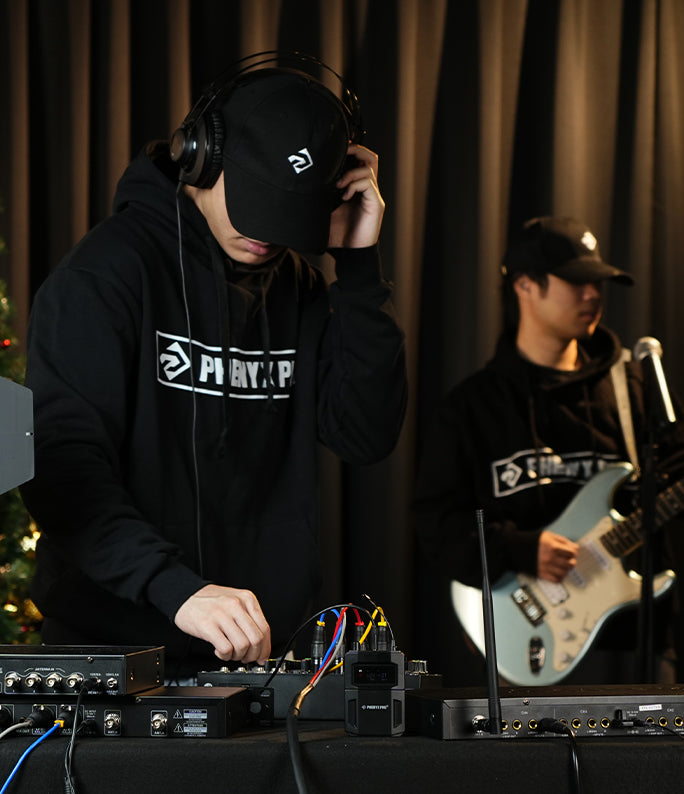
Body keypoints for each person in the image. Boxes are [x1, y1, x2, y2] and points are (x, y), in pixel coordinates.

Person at [22, 60, 407, 679]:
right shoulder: (102, 277)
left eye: (288, 213)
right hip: (113, 657)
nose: (266, 236)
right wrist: (176, 588)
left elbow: (365, 435)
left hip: (257, 660)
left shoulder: (299, 288)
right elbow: (60, 467)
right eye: (257, 203)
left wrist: (359, 268)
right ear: (201, 156)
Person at [411, 216, 684, 685]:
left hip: (635, 644)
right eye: (576, 282)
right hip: (526, 644)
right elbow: (436, 526)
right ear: (525, 286)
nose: (593, 295)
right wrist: (520, 549)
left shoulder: (634, 387)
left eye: (598, 283)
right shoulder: (473, 407)